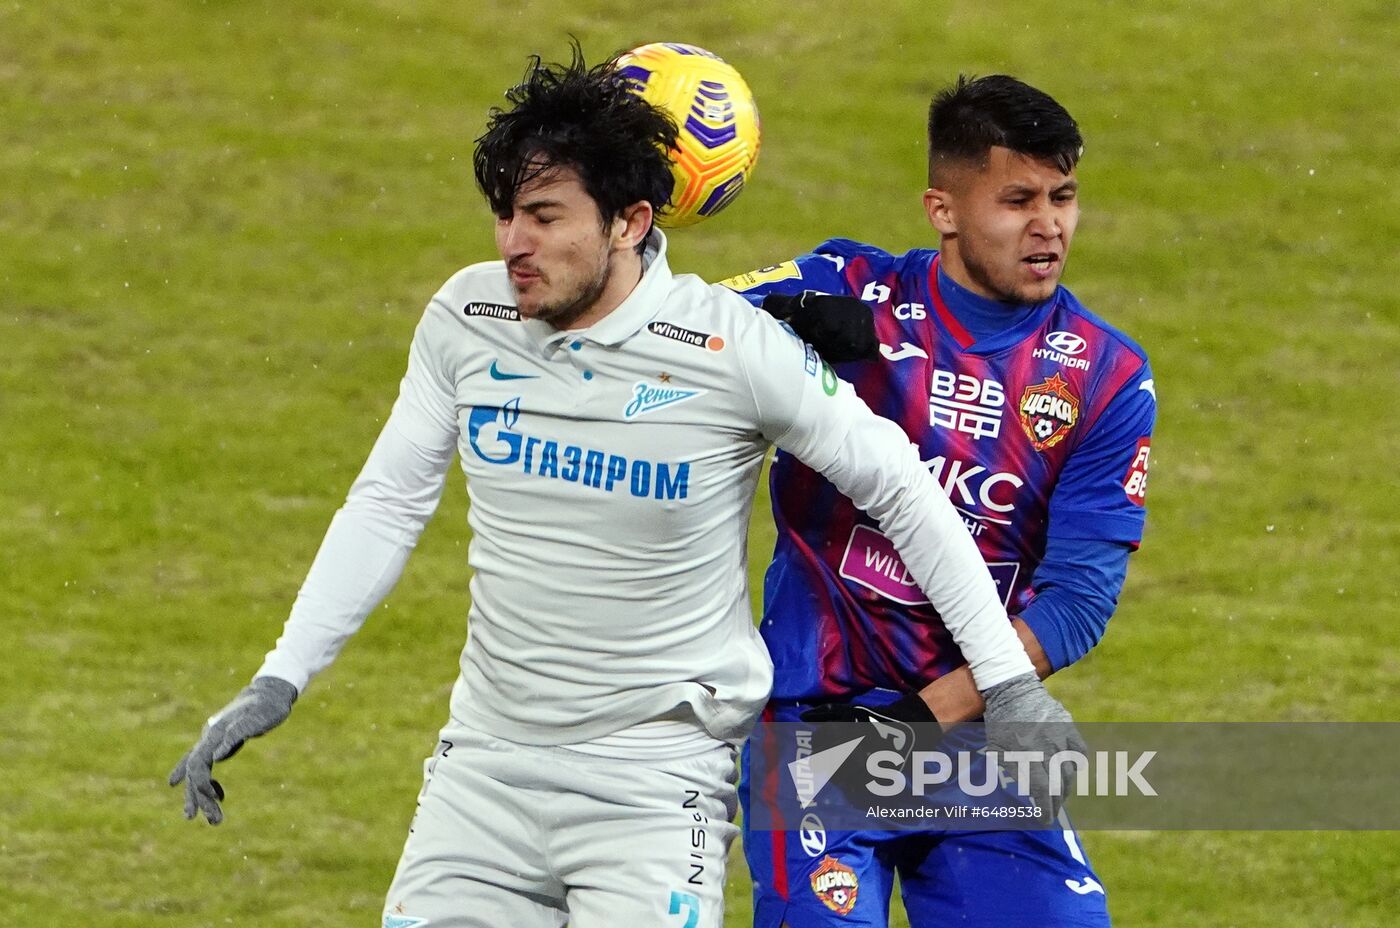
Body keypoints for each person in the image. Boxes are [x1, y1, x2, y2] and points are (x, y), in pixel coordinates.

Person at [167, 52, 1082, 928]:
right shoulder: (465, 318)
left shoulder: (733, 350)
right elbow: (388, 500)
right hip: (482, 771)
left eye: (544, 216)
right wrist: (282, 674)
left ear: (630, 222)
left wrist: (1007, 685)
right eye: (505, 215)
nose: (513, 245)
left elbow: (904, 493)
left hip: (653, 782)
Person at [727, 74, 1156, 928]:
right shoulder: (850, 284)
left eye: (1064, 197)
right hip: (816, 728)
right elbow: (671, 327)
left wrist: (931, 718)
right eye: (1018, 200)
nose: (1049, 226)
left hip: (973, 732)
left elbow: (1077, 602)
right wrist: (771, 314)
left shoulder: (1105, 375)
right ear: (943, 210)